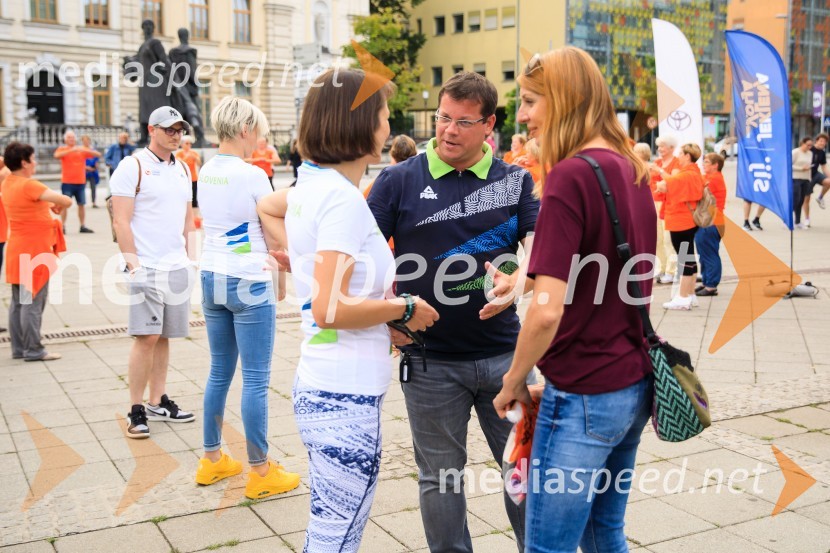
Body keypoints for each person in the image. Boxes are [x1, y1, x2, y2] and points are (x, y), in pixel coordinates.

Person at [258, 69, 439, 552]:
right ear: (358, 124)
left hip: (329, 385)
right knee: (337, 536)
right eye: (382, 115)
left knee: (333, 527)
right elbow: (330, 308)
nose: (387, 126)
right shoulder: (339, 199)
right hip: (343, 395)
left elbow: (272, 214)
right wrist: (402, 309)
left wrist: (304, 264)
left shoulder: (312, 185)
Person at [367, 71, 539, 553]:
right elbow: (358, 254)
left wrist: (521, 280)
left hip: (507, 357)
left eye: (463, 122)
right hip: (431, 364)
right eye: (444, 118)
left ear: (489, 126)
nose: (448, 130)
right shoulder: (399, 180)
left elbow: (542, 245)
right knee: (439, 480)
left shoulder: (514, 180)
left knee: (525, 472)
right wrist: (388, 316)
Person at [493, 47, 656, 553]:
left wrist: (514, 380)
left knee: (548, 545)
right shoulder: (632, 169)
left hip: (584, 390)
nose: (521, 115)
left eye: (530, 101)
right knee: (604, 534)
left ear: (563, 101)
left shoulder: (570, 175)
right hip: (631, 382)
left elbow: (545, 309)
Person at [194, 96, 301, 499]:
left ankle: (212, 459)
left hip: (211, 274)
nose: (259, 139)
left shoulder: (205, 170)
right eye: (257, 131)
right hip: (247, 277)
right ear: (243, 130)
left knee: (219, 371)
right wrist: (288, 268)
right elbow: (269, 224)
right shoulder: (253, 174)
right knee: (255, 379)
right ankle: (259, 471)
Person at [110, 106, 198, 439]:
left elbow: (188, 219)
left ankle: (158, 400)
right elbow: (121, 220)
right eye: (169, 129)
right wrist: (133, 265)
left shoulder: (183, 168)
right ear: (152, 129)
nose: (176, 135)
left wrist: (191, 261)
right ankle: (136, 408)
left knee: (164, 337)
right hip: (145, 265)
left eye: (179, 130)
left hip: (176, 265)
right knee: (145, 337)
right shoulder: (132, 166)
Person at [1, 142, 72, 361]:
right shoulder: (29, 185)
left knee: (19, 301)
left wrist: (46, 205)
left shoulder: (8, 182)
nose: (36, 162)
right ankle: (34, 349)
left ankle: (19, 348)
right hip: (34, 250)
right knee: (32, 301)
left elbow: (29, 206)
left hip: (18, 248)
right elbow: (66, 200)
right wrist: (53, 203)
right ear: (24, 162)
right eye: (33, 159)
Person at [653, 143, 704, 310]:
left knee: (684, 257)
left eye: (680, 154)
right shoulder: (694, 172)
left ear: (688, 156)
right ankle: (689, 295)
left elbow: (663, 185)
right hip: (688, 220)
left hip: (680, 220)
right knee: (689, 255)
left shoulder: (686, 174)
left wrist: (660, 174)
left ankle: (682, 297)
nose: (678, 157)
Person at [54, 130, 101, 233]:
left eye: (72, 137)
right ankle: (63, 226)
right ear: (65, 139)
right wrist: (71, 150)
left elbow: (97, 154)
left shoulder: (81, 150)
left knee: (81, 204)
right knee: (64, 205)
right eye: (69, 137)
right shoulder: (62, 149)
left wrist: (85, 149)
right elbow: (57, 156)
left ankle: (82, 225)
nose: (71, 139)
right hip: (67, 182)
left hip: (80, 181)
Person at [694, 153, 727, 297]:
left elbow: (697, 193)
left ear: (715, 165)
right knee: (704, 252)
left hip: (711, 221)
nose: (704, 164)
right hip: (708, 220)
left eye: (707, 162)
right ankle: (707, 281)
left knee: (709, 253)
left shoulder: (714, 179)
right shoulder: (709, 178)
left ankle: (711, 285)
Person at [649, 135, 680, 283]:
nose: (660, 149)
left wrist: (659, 171)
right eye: (659, 146)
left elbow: (673, 182)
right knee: (657, 238)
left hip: (668, 204)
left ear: (671, 148)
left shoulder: (676, 163)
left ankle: (671, 270)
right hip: (654, 203)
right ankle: (660, 268)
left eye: (662, 146)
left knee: (668, 239)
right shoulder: (657, 162)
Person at [175, 136, 202, 221]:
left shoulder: (194, 153)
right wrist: (187, 157)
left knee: (194, 198)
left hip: (193, 178)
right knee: (184, 197)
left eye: (190, 143)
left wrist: (195, 158)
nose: (189, 145)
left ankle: (195, 217)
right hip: (183, 179)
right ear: (182, 144)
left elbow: (199, 163)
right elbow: (179, 164)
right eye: (187, 143)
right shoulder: (179, 153)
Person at [792, 137, 813, 229]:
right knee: (796, 199)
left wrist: (809, 178)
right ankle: (788, 220)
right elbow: (789, 164)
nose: (809, 147)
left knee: (801, 200)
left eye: (810, 145)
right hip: (796, 178)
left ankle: (797, 221)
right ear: (802, 144)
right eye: (807, 145)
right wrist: (801, 168)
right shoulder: (795, 152)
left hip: (806, 178)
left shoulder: (810, 153)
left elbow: (809, 165)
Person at [811, 132, 830, 209]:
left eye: (825, 142)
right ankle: (805, 219)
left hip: (816, 174)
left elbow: (824, 167)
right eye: (821, 141)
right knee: (806, 198)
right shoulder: (810, 149)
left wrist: (829, 176)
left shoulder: (822, 152)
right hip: (806, 175)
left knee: (829, 182)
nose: (823, 143)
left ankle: (820, 198)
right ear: (817, 141)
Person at [81, 135, 101, 208]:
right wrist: (86, 167)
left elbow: (96, 159)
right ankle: (82, 202)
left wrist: (95, 167)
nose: (86, 142)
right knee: (82, 188)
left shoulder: (93, 150)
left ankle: (94, 202)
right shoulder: (80, 150)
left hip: (92, 171)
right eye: (84, 141)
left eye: (87, 140)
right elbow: (79, 161)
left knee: (93, 187)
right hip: (84, 171)